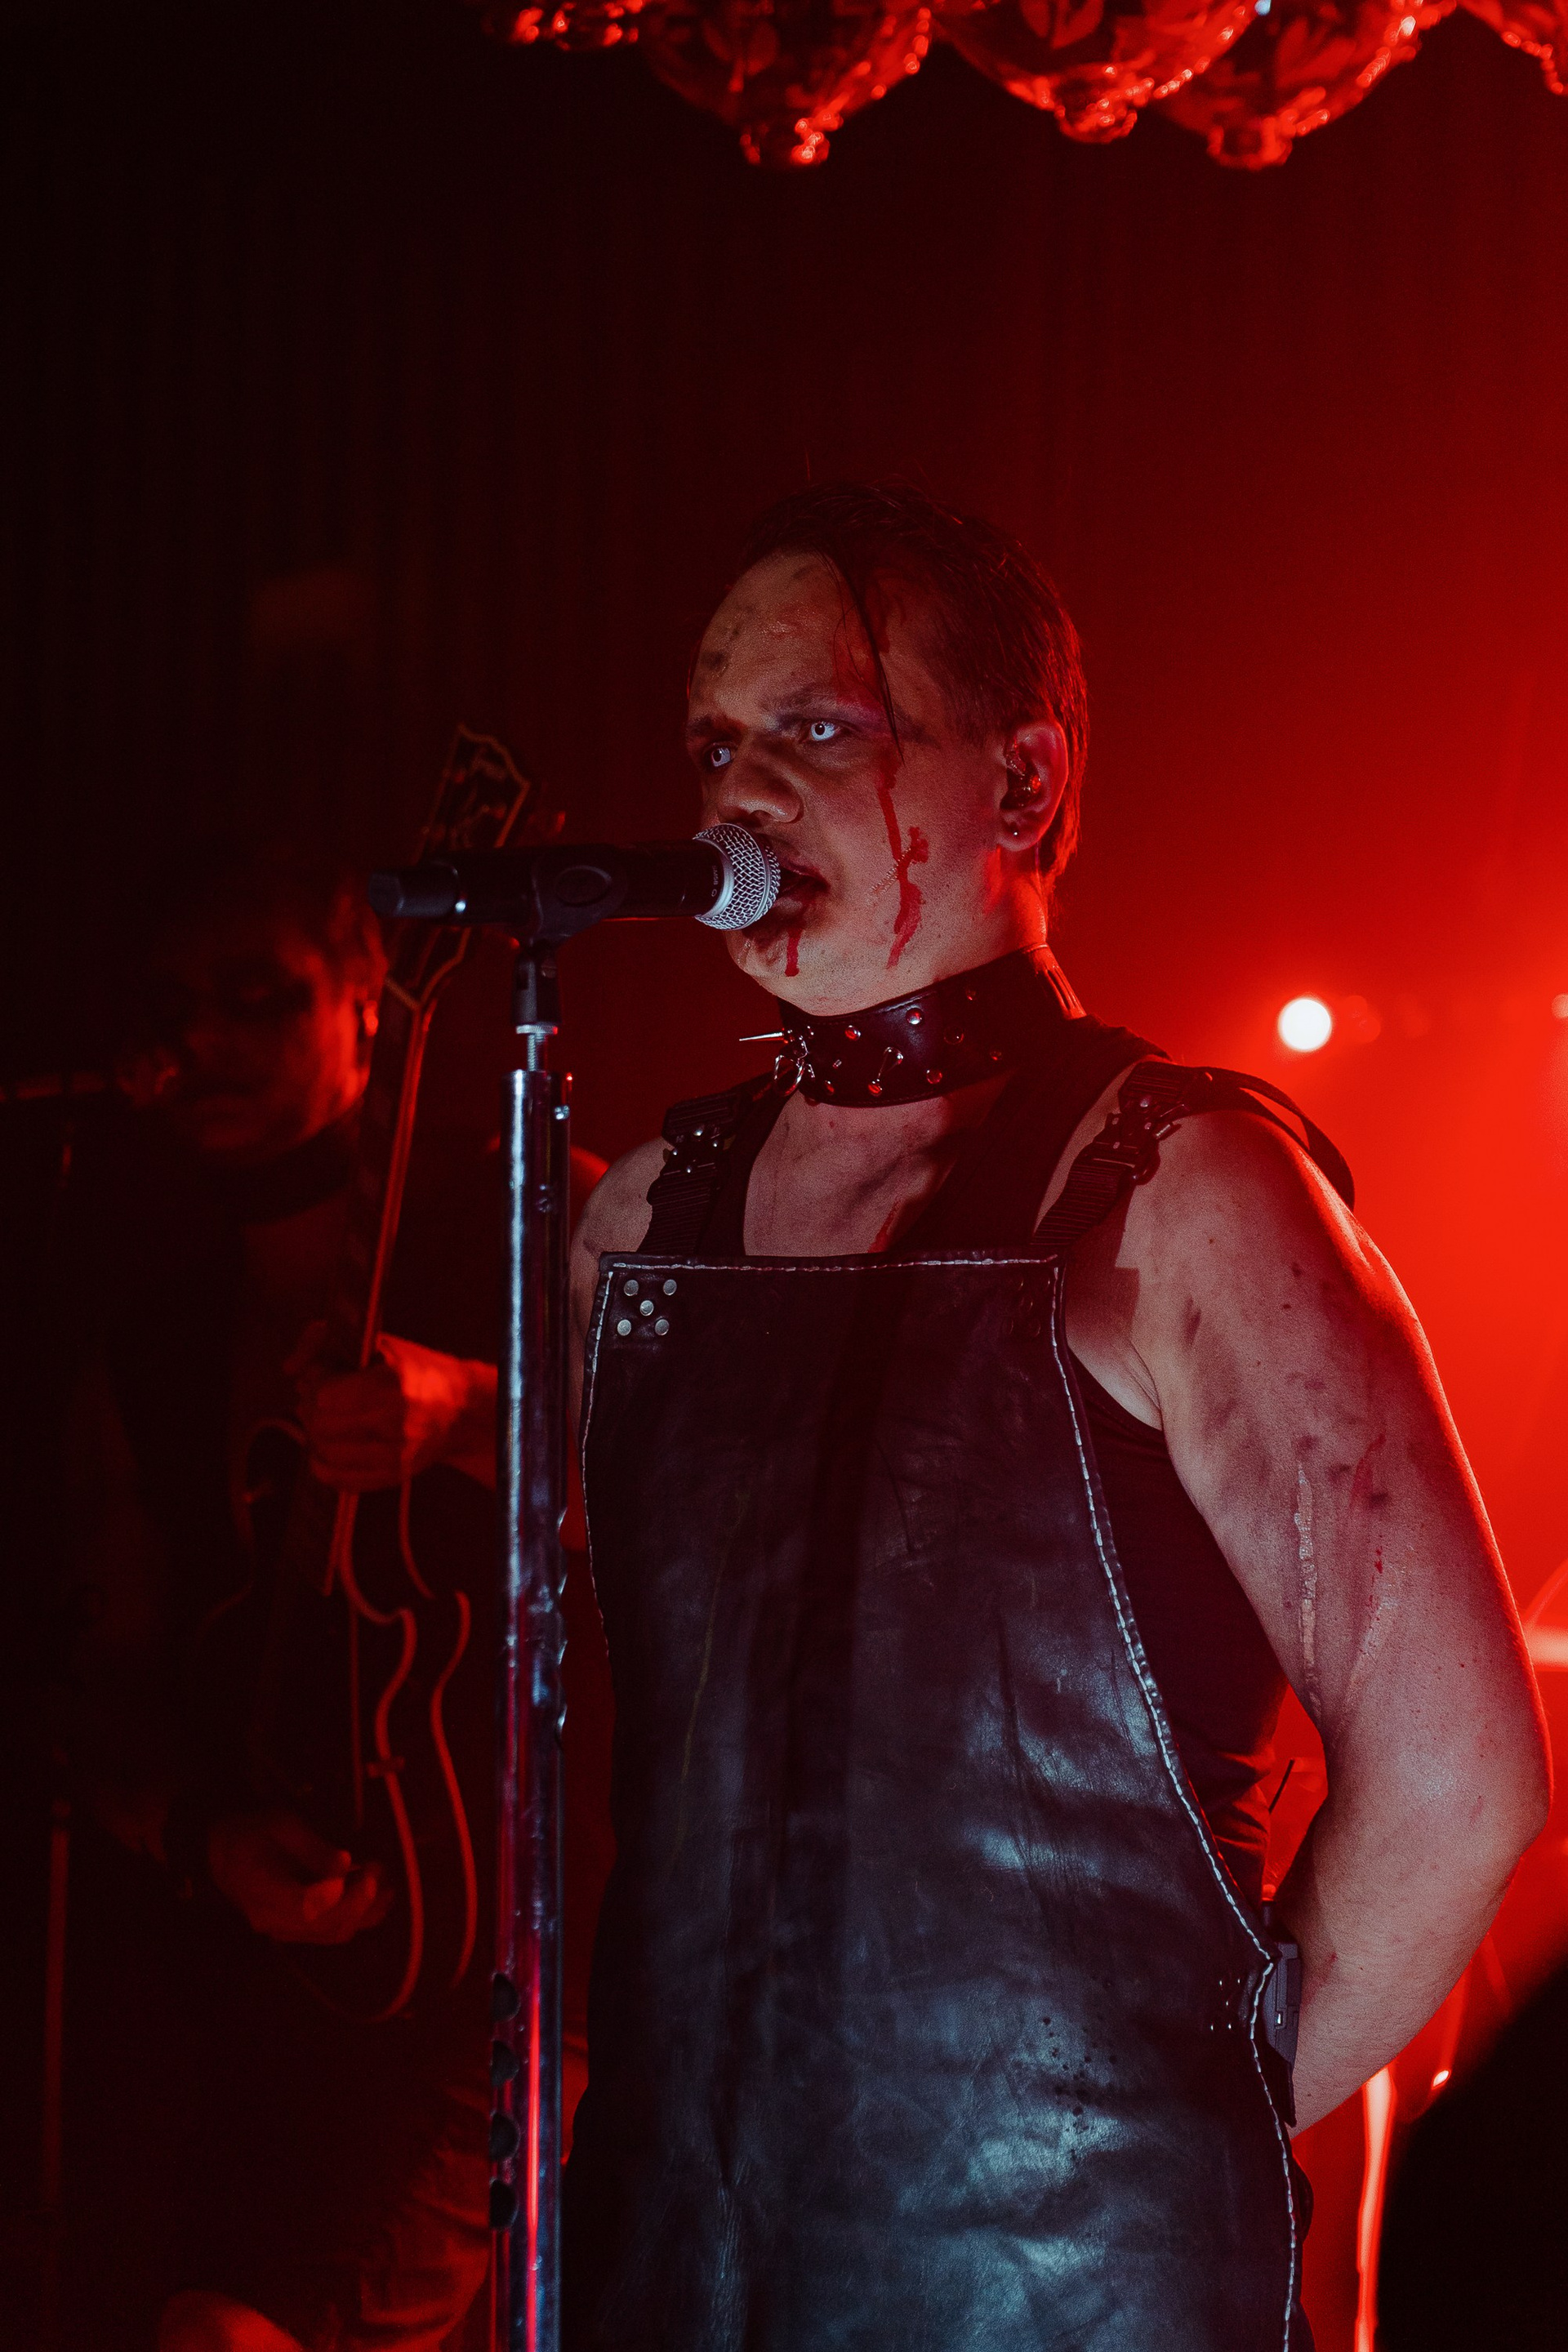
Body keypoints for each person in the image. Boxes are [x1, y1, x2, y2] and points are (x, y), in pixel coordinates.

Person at [559, 482, 1549, 2350]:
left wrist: (1164, 2136)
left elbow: (1459, 1782)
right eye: (713, 744)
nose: (739, 794)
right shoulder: (642, 1226)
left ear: (1023, 783)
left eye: (817, 730)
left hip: (1068, 2295)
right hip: (683, 2265)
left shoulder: (1181, 1194)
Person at [59, 843, 604, 2352]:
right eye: (173, 1007)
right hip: (253, 1981)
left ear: (374, 996)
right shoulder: (152, 1335)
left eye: (257, 995)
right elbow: (101, 1674)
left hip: (512, 1974)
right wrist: (202, 1836)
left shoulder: (537, 1209)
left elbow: (723, 1497)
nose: (204, 1038)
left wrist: (476, 1415)